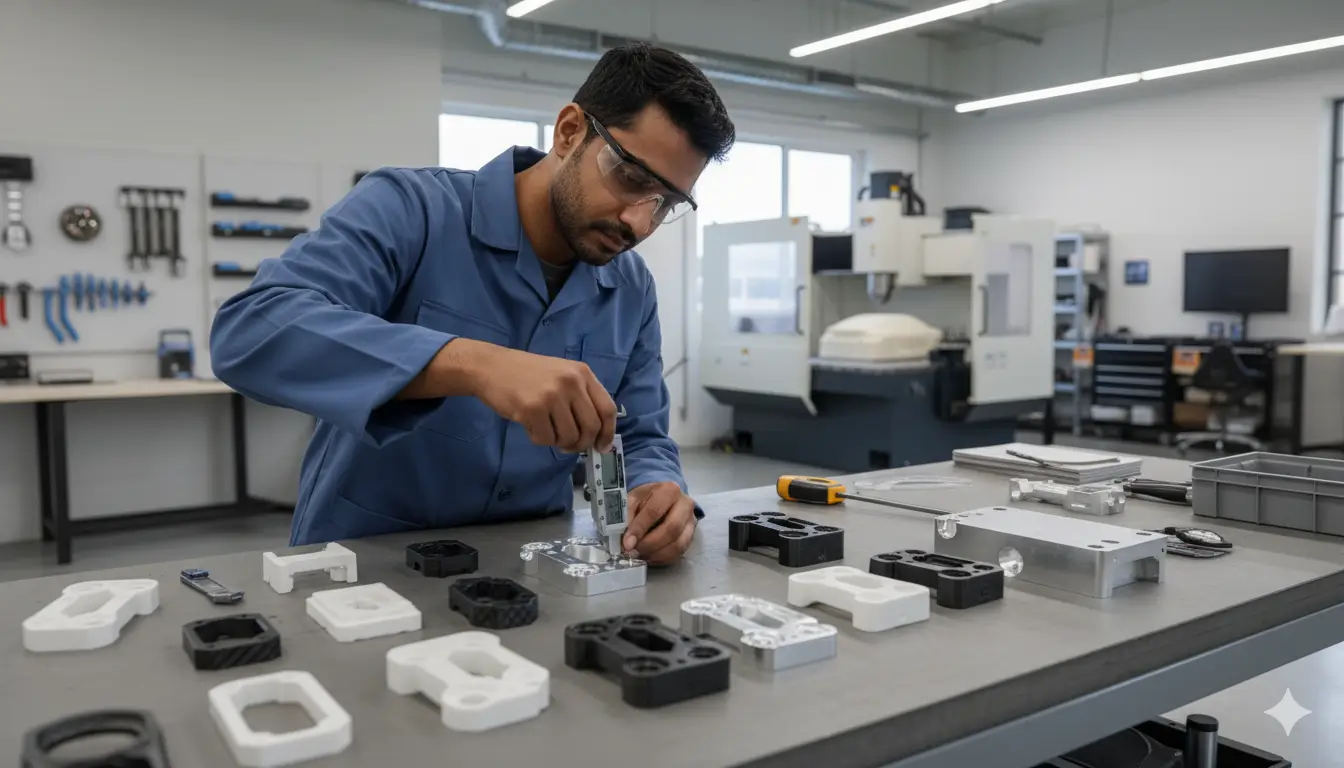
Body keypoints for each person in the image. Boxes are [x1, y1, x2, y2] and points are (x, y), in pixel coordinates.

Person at [210, 43, 736, 565]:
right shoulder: (409, 209)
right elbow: (251, 331)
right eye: (631, 178)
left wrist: (658, 488)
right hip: (364, 567)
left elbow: (639, 434)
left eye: (665, 203)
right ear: (569, 131)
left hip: (532, 574)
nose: (639, 223)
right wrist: (473, 363)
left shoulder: (631, 289)